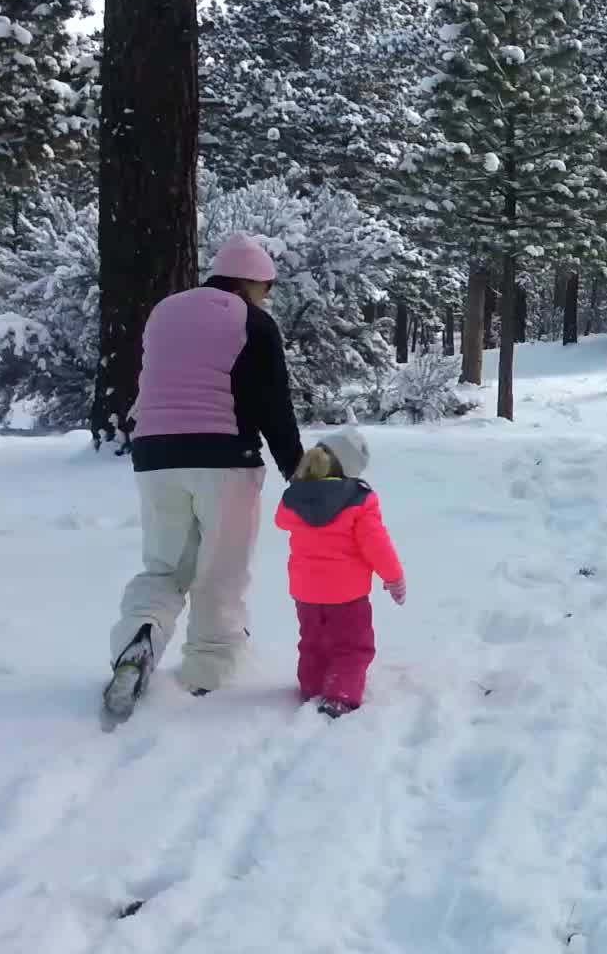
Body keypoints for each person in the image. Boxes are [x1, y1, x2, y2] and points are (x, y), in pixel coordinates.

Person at [103, 233, 304, 723]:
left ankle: (138, 638)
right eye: (266, 288)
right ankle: (207, 670)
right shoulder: (251, 321)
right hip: (224, 456)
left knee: (164, 565)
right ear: (250, 281)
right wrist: (296, 468)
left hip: (154, 454)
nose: (266, 298)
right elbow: (271, 401)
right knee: (221, 568)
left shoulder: (165, 312)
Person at [274, 428, 405, 718]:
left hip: (306, 593)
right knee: (352, 646)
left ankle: (312, 687)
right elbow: (376, 544)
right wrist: (393, 577)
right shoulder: (359, 499)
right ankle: (340, 695)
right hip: (347, 595)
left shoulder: (295, 498)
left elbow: (281, 522)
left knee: (312, 643)